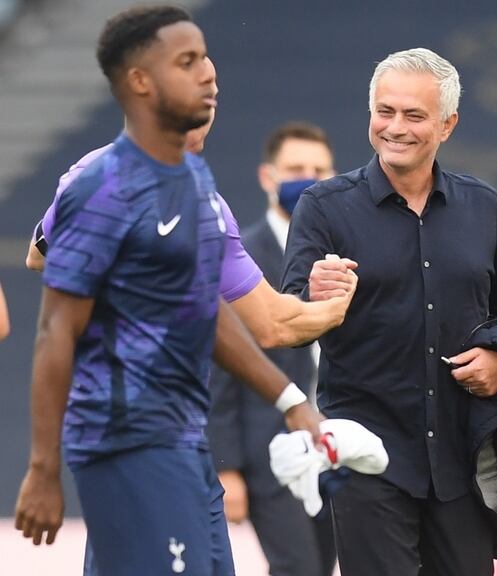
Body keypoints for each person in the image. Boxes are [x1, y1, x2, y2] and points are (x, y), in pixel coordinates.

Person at [11, 7, 322, 576]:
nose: (207, 77)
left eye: (207, 63)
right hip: (127, 444)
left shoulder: (199, 190)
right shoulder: (101, 182)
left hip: (186, 443)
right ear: (141, 84)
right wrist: (42, 467)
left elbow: (235, 318)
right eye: (188, 63)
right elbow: (52, 321)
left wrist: (291, 398)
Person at [281, 48, 497, 576]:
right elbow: (287, 322)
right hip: (365, 460)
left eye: (414, 115)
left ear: (448, 125)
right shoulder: (323, 206)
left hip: (463, 463)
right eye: (384, 111)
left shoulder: (482, 206)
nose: (394, 127)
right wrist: (313, 296)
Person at [24, 76, 355, 350]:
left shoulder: (90, 170)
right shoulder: (202, 209)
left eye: (212, 95)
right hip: (158, 412)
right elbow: (273, 326)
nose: (209, 107)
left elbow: (39, 257)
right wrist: (336, 307)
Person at [209, 122, 338, 576]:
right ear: (268, 177)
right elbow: (222, 366)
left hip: (338, 448)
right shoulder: (240, 255)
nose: (308, 178)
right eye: (296, 168)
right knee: (298, 570)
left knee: (321, 568)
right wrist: (227, 467)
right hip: (269, 453)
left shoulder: (345, 257)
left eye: (319, 170)